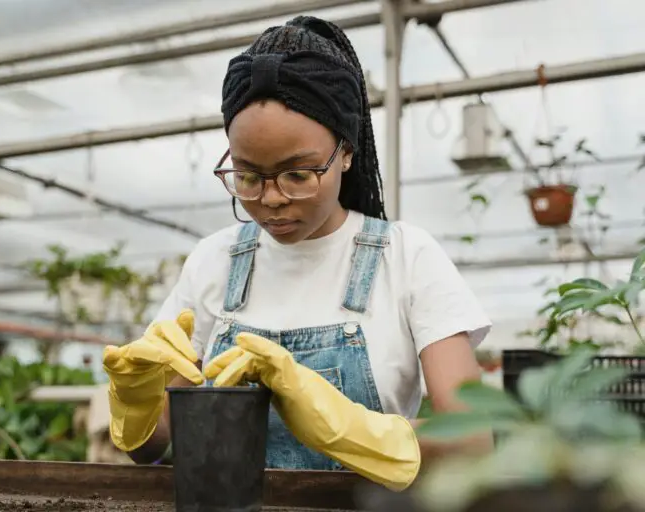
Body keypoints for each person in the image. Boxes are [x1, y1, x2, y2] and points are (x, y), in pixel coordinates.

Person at [102, 15, 492, 491]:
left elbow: (472, 443)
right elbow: (152, 449)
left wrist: (341, 424)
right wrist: (137, 402)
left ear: (346, 151)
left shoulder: (406, 258)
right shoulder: (214, 261)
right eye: (247, 176)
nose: (270, 198)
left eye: (298, 174)